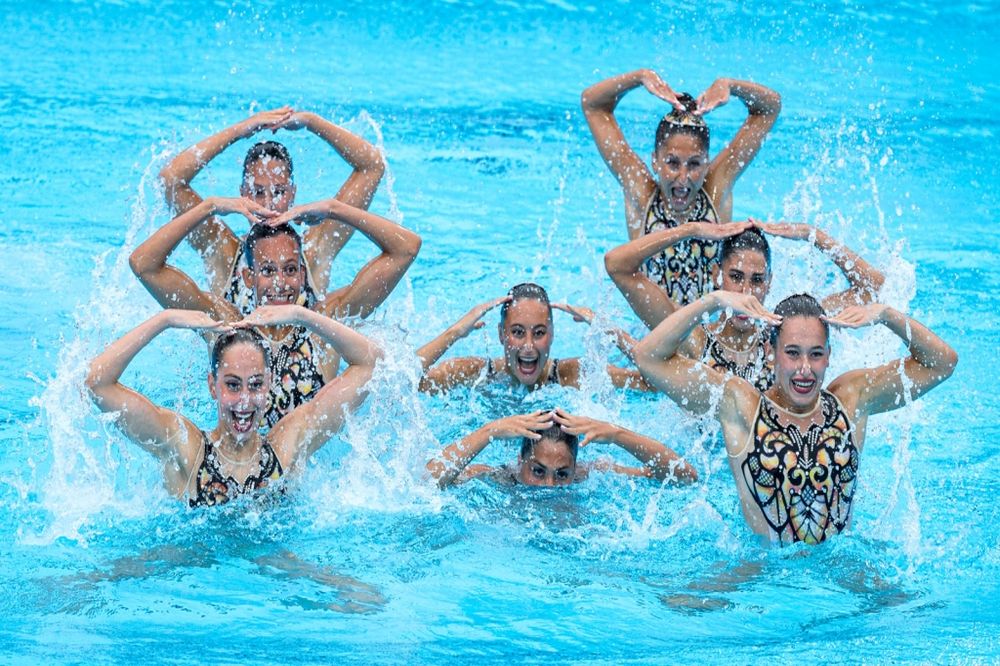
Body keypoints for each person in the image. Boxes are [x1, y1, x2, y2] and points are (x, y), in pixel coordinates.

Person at [634, 293, 957, 545]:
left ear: (829, 355)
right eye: (792, 352)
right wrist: (712, 301)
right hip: (763, 577)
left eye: (816, 354)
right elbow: (648, 358)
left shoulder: (851, 398)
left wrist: (887, 315)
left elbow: (942, 363)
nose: (805, 368)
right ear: (770, 351)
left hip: (837, 569)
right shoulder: (740, 405)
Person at [129, 196, 420, 426]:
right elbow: (144, 264)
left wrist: (335, 209)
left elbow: (406, 248)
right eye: (267, 271)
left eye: (290, 269)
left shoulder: (325, 322)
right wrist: (209, 207)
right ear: (248, 278)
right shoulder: (227, 325)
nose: (280, 283)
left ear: (303, 275)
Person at [85, 306, 383, 507]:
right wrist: (165, 320)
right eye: (232, 384)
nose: (244, 400)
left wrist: (301, 315)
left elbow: (371, 364)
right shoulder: (186, 448)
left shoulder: (286, 447)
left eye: (255, 385)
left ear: (268, 385)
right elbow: (97, 382)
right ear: (212, 386)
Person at [606, 222, 885, 390]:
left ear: (769, 283)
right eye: (736, 278)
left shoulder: (787, 333)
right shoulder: (692, 338)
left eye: (757, 280)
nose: (746, 292)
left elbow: (872, 287)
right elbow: (617, 265)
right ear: (718, 276)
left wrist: (813, 235)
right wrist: (690, 230)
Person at [582, 71, 781, 305]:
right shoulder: (642, 194)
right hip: (657, 336)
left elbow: (770, 107)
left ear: (707, 163)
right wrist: (639, 77)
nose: (683, 177)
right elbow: (592, 104)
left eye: (695, 164)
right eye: (673, 163)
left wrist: (730, 85)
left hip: (708, 334)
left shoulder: (715, 190)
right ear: (655, 160)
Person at [160, 106, 385, 312]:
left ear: (292, 194)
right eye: (257, 192)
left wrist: (312, 122)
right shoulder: (222, 251)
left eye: (278, 192)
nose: (267, 204)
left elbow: (372, 166)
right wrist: (238, 131)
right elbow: (170, 180)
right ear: (242, 194)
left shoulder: (313, 252)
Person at [417, 283, 648, 394]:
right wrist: (454, 333)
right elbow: (404, 383)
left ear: (553, 334)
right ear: (501, 335)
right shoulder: (475, 373)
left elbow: (654, 384)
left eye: (539, 333)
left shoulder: (575, 374)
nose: (528, 346)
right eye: (517, 332)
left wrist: (609, 330)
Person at [426, 409, 697, 488]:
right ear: (520, 460)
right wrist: (489, 432)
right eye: (538, 471)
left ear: (575, 468)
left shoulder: (589, 475)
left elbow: (684, 476)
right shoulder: (498, 477)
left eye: (562, 474)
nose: (549, 485)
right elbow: (427, 481)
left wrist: (617, 435)